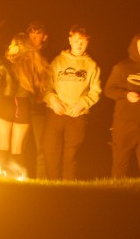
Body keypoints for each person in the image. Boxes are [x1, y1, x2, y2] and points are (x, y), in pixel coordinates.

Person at [42, 25, 102, 181]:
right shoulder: (57, 61)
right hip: (56, 113)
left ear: (87, 42)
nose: (79, 44)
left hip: (77, 115)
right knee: (50, 152)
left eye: (82, 41)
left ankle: (68, 188)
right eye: (76, 40)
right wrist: (53, 100)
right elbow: (46, 86)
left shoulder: (91, 65)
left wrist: (83, 103)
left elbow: (95, 91)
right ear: (69, 40)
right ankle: (52, 187)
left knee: (71, 156)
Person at [0, 32, 49, 178]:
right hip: (22, 106)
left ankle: (1, 180)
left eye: (12, 44)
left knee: (3, 147)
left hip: (5, 103)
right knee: (17, 150)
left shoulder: (2, 62)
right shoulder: (33, 65)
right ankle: (19, 179)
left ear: (19, 47)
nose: (9, 46)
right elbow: (38, 92)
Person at [105, 33, 140, 178]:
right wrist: (126, 95)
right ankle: (117, 195)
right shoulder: (122, 67)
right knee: (120, 164)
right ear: (135, 47)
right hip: (124, 122)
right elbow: (108, 89)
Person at [26, 20, 50, 178]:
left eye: (38, 34)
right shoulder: (21, 55)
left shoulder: (48, 57)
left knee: (41, 146)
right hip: (21, 105)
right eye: (31, 34)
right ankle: (19, 177)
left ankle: (41, 180)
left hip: (39, 108)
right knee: (20, 146)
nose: (34, 37)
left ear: (45, 37)